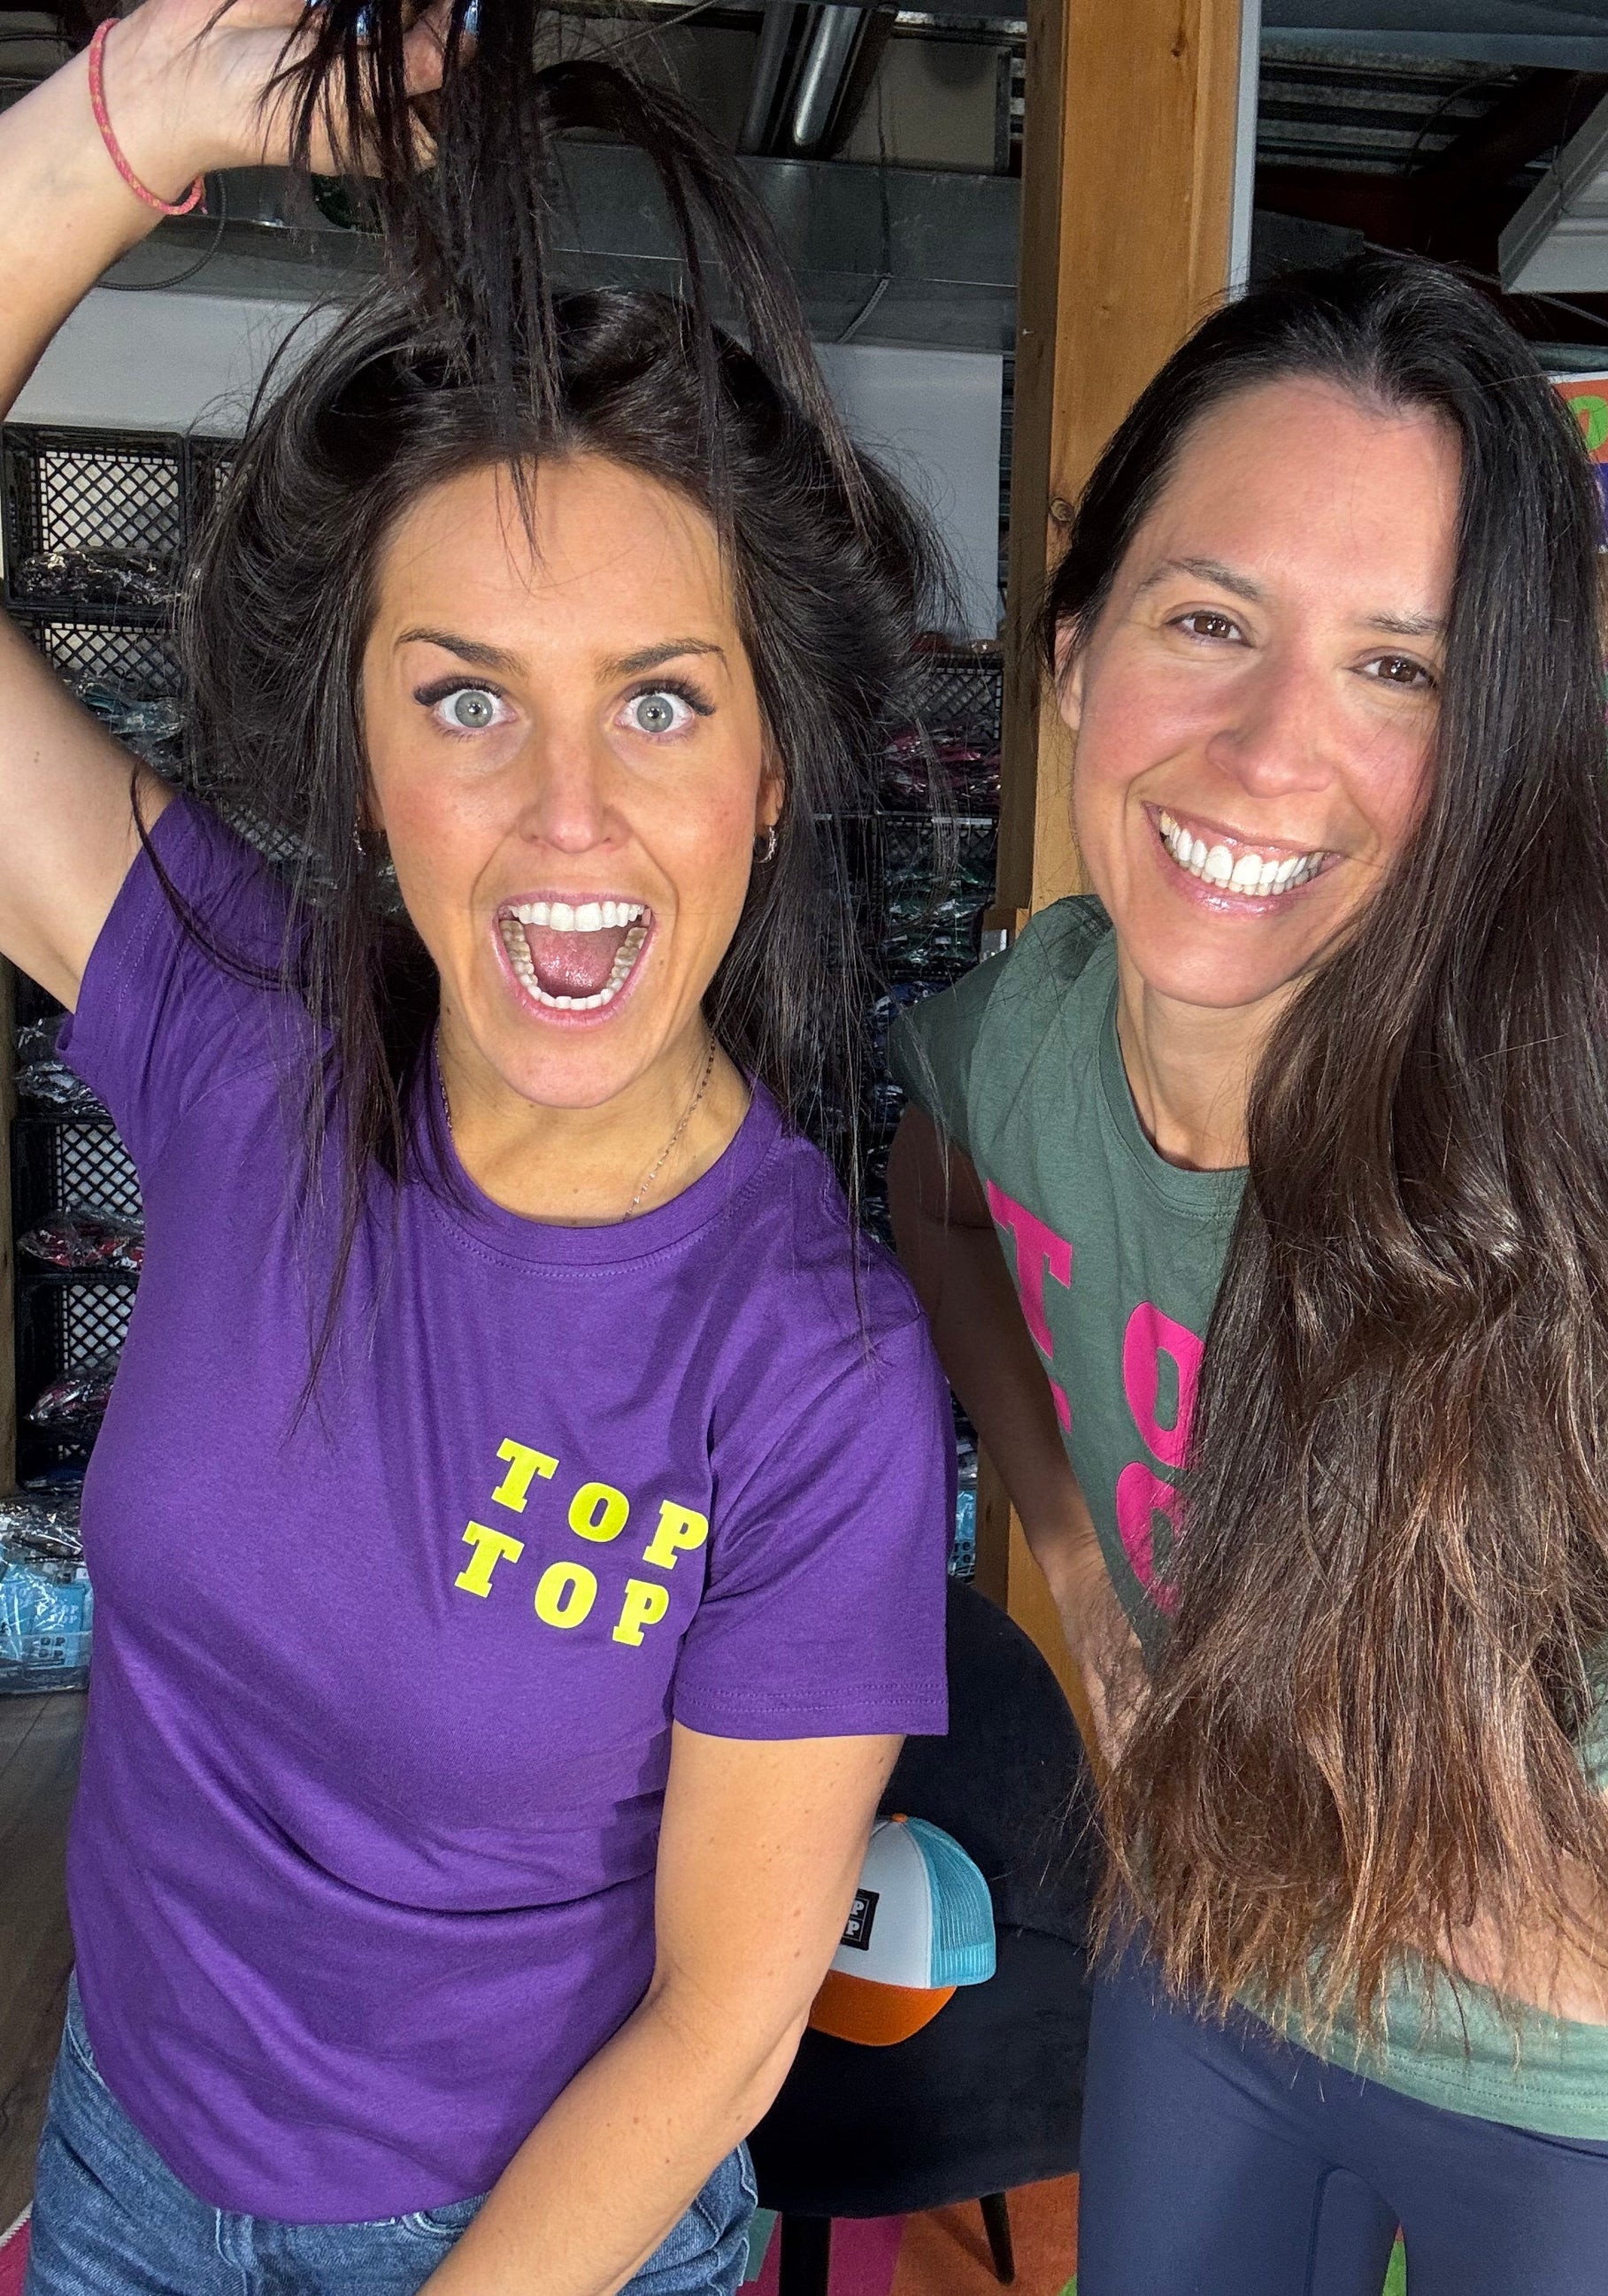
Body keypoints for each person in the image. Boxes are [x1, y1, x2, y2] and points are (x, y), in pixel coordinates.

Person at [1, 6, 954, 2293]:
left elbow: (721, 2024)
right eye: (463, 697)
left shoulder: (810, 1367)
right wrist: (129, 117)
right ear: (362, 753)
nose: (565, 818)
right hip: (122, 2162)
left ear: (767, 769)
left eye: (660, 700)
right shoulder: (238, 1041)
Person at [889, 253, 1608, 2295]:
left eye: (1397, 668)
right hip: (1224, 1953)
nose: (1272, 749)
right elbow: (937, 1197)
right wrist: (1076, 1564)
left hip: (1586, 2090)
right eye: (1208, 620)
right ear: (1074, 650)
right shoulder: (1027, 1032)